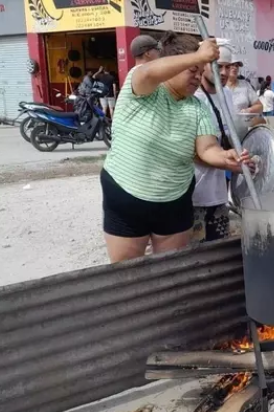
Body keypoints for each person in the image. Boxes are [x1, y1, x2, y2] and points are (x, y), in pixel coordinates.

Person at [101, 32, 250, 263]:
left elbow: (207, 148)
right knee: (127, 276)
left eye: (201, 72)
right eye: (193, 70)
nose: (197, 77)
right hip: (126, 195)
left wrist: (226, 158)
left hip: (175, 201)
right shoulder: (142, 88)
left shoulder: (197, 107)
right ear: (174, 64)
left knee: (171, 271)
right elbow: (150, 71)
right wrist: (198, 56)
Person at [192, 42, 245, 243]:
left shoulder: (227, 95)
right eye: (218, 65)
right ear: (204, 64)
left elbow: (229, 135)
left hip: (219, 191)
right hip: (195, 191)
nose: (223, 72)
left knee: (218, 248)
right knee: (194, 252)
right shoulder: (193, 97)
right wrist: (224, 161)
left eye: (227, 67)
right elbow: (190, 148)